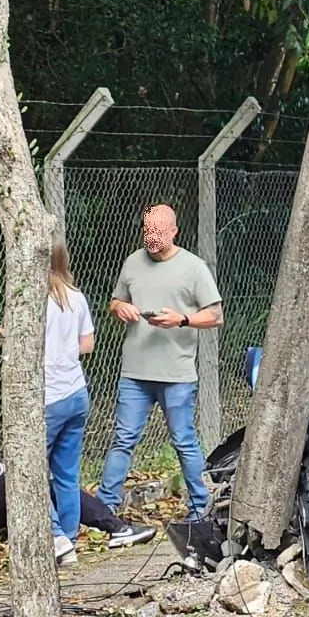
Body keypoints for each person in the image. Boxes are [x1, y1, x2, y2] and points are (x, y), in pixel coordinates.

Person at [96, 203, 223, 526]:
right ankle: (103, 509)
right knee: (123, 438)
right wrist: (120, 308)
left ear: (174, 232)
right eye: (147, 231)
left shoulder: (194, 268)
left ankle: (199, 507)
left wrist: (182, 319)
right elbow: (115, 301)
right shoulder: (133, 262)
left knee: (183, 440)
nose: (151, 238)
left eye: (158, 232)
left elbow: (215, 316)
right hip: (135, 372)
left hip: (176, 374)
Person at [0, 370, 137, 567]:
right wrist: (26, 469)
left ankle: (107, 528)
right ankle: (107, 528)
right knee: (28, 476)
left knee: (42, 480)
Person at [44, 242, 154, 558]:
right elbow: (87, 345)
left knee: (34, 472)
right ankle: (69, 541)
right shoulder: (76, 298)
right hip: (76, 392)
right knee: (66, 475)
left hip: (47, 395)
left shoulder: (35, 299)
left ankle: (55, 537)